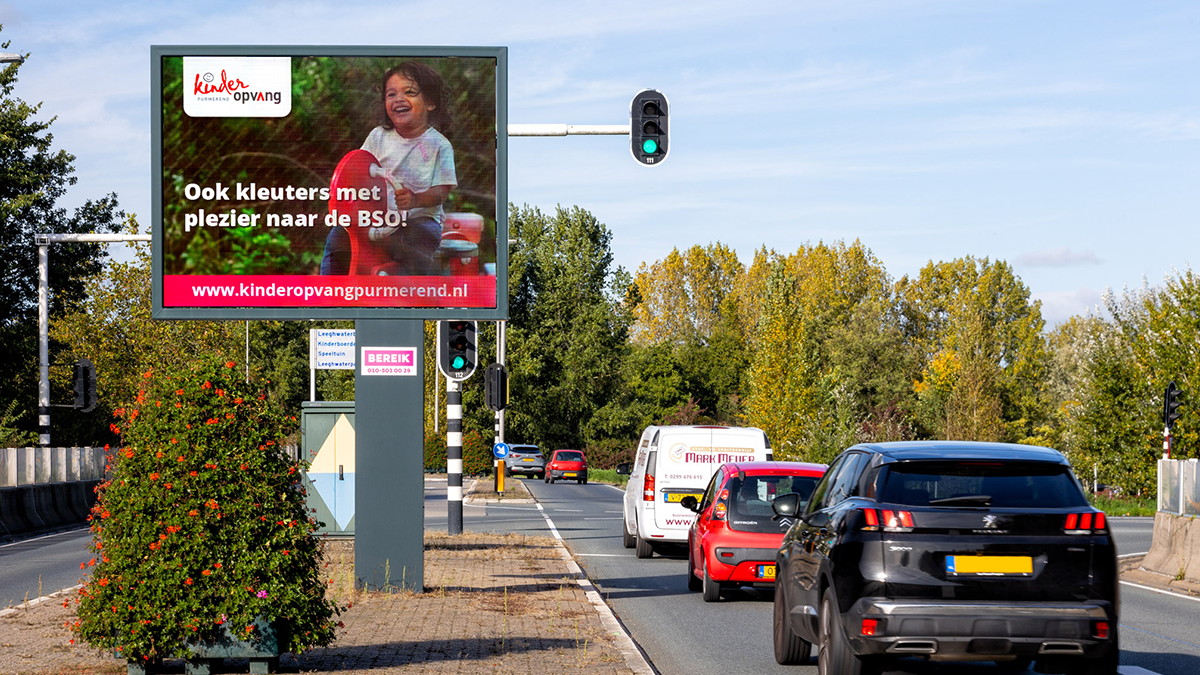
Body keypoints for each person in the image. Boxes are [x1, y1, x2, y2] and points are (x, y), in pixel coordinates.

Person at [320, 62, 457, 275]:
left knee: (419, 238)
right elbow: (358, 172)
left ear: (430, 102)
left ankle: (403, 292)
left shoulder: (439, 145)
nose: (398, 99)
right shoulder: (378, 137)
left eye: (409, 92)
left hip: (418, 219)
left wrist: (416, 200)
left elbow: (442, 191)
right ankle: (330, 295)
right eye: (391, 94)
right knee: (340, 235)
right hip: (378, 217)